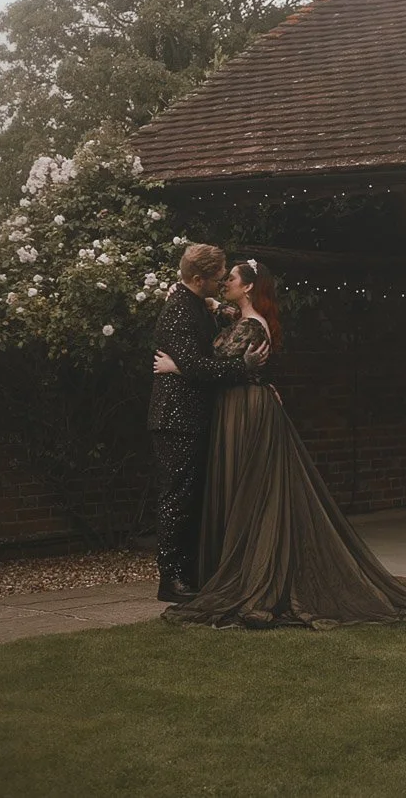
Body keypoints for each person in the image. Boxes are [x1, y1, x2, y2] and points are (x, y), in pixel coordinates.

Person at [155, 258, 406, 628]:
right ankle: (221, 567)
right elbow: (222, 322)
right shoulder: (237, 318)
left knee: (253, 491)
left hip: (247, 413)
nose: (225, 281)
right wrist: (197, 300)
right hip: (236, 410)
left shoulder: (251, 327)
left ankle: (252, 570)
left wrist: (180, 367)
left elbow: (219, 364)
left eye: (233, 278)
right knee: (237, 488)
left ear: (249, 287)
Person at [147, 243, 267, 603]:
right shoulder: (179, 311)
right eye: (216, 279)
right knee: (176, 498)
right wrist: (243, 368)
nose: (220, 283)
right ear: (198, 279)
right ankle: (170, 580)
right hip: (176, 419)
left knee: (189, 497)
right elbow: (199, 368)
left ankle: (187, 572)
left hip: (191, 416)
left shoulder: (196, 303)